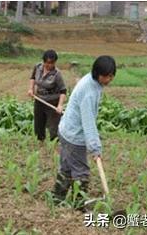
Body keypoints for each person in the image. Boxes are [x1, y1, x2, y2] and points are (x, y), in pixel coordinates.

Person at [51, 55, 116, 210]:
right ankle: (80, 205)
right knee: (81, 172)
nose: (109, 79)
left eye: (111, 76)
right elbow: (88, 122)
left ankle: (56, 198)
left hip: (66, 130)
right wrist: (95, 148)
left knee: (66, 168)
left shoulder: (91, 81)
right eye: (106, 76)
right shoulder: (90, 92)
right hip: (74, 136)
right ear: (97, 73)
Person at [28, 49, 67, 142]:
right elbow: (32, 78)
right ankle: (40, 142)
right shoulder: (37, 67)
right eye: (48, 63)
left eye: (53, 63)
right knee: (39, 124)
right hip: (39, 99)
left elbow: (63, 91)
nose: (51, 65)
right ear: (44, 61)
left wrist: (60, 105)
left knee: (53, 127)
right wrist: (31, 89)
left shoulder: (57, 74)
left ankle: (55, 144)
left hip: (52, 101)